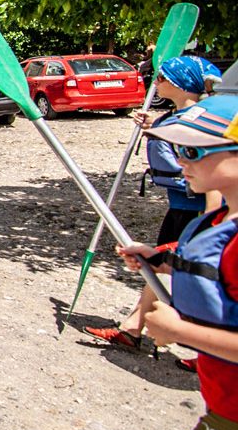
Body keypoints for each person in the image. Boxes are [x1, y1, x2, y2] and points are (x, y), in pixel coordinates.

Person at [114, 93, 238, 430]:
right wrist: (160, 259)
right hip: (222, 405)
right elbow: (210, 267)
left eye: (194, 151)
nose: (181, 161)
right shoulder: (220, 219)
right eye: (180, 149)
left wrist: (180, 332)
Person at [87, 55, 224, 351]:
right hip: (180, 208)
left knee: (198, 276)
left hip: (195, 211)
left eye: (161, 78)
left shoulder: (202, 123)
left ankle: (199, 347)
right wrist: (156, 122)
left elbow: (214, 182)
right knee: (160, 266)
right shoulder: (178, 117)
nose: (155, 82)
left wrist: (212, 224)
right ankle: (134, 327)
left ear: (180, 83)